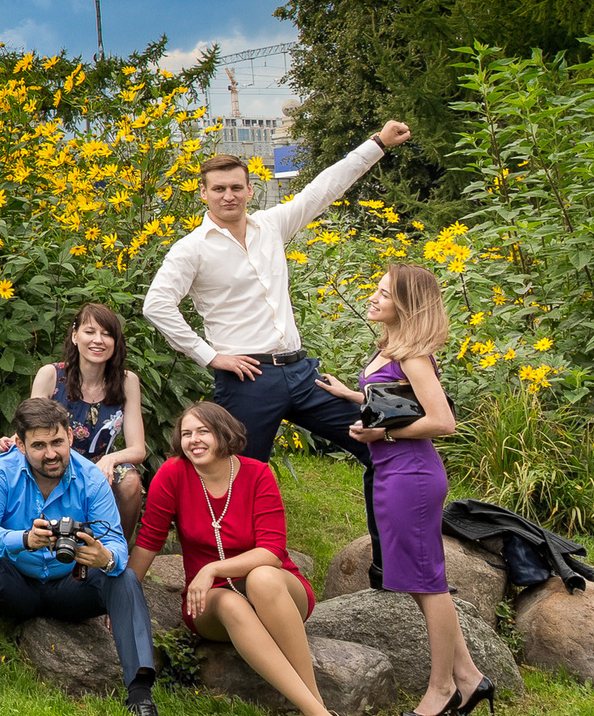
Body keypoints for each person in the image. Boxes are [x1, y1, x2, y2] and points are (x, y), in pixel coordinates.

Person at [143, 122, 412, 469]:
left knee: (374, 437)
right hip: (247, 378)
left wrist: (378, 143)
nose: (229, 196)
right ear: (203, 194)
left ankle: (388, 526)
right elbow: (157, 305)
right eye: (219, 188)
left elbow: (323, 188)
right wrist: (209, 356)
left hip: (301, 371)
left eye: (236, 187)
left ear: (250, 190)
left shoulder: (270, 226)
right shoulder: (191, 250)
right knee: (239, 473)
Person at [315, 265, 495, 716]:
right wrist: (352, 396)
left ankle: (443, 688)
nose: (372, 299)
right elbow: (396, 402)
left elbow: (442, 422)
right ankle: (471, 677)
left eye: (383, 294)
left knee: (427, 583)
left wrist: (384, 438)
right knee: (418, 581)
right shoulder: (392, 348)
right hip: (395, 473)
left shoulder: (413, 355)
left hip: (411, 474)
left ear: (407, 307)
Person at [129, 403, 340, 716]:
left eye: (202, 432)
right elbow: (149, 539)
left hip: (278, 591)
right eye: (186, 434)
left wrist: (212, 568)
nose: (193, 440)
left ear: (223, 434)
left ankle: (311, 710)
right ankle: (320, 715)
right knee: (230, 603)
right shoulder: (173, 473)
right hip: (211, 603)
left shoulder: (257, 474)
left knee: (262, 576)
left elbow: (272, 551)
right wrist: (125, 594)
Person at [0, 398, 161, 716]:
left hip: (71, 587)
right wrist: (23, 539)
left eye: (57, 442)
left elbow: (117, 544)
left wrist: (104, 557)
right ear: (19, 444)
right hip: (16, 586)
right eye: (39, 445)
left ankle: (140, 694)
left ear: (70, 438)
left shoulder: (91, 478)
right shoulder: (1, 470)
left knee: (123, 575)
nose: (51, 453)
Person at [0, 305, 150, 542]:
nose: (98, 340)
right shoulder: (51, 375)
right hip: (54, 458)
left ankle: (117, 551)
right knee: (10, 464)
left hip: (99, 466)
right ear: (75, 336)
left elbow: (138, 449)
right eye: (90, 332)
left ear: (116, 341)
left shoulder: (127, 381)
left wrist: (110, 459)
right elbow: (29, 427)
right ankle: (21, 543)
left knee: (129, 481)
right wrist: (8, 442)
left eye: (107, 334)